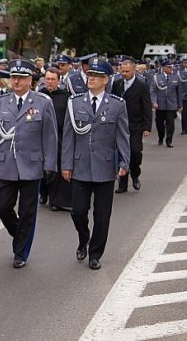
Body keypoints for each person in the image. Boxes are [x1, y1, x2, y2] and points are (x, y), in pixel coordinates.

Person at [0, 59, 58, 269]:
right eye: (13, 77)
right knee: (2, 207)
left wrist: (50, 164)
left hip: (32, 165)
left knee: (27, 212)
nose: (15, 81)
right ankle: (19, 234)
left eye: (21, 78)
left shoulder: (42, 102)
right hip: (6, 163)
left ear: (30, 80)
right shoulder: (0, 102)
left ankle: (21, 252)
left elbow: (50, 137)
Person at [62, 57, 130, 270]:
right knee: (78, 212)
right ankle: (84, 238)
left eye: (97, 76)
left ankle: (95, 253)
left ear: (106, 80)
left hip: (105, 167)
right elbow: (68, 136)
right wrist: (66, 163)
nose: (91, 79)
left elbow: (122, 136)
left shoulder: (117, 105)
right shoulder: (75, 103)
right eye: (90, 75)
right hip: (80, 165)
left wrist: (125, 162)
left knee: (102, 215)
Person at [112, 56, 152, 192]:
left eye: (127, 71)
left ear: (134, 70)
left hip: (136, 125)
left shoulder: (141, 86)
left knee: (135, 152)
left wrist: (147, 127)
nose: (124, 74)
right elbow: (112, 102)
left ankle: (135, 174)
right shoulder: (117, 84)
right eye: (122, 71)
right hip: (120, 125)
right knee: (122, 153)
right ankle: (122, 184)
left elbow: (147, 106)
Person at [38, 67, 72, 210]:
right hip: (40, 138)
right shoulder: (39, 96)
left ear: (58, 81)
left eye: (53, 79)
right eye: (48, 79)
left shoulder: (65, 96)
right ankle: (43, 192)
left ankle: (56, 200)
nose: (50, 82)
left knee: (56, 167)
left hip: (59, 137)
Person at [150, 59, 183, 148]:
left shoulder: (176, 77)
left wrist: (180, 105)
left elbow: (179, 92)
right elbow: (153, 91)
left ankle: (169, 140)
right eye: (168, 67)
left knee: (170, 123)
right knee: (159, 123)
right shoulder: (157, 77)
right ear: (164, 68)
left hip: (172, 104)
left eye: (171, 67)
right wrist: (154, 102)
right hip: (160, 104)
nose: (171, 69)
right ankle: (161, 137)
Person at [180, 57, 187, 134]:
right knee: (184, 113)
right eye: (185, 63)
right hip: (184, 95)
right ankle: (184, 129)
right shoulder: (181, 72)